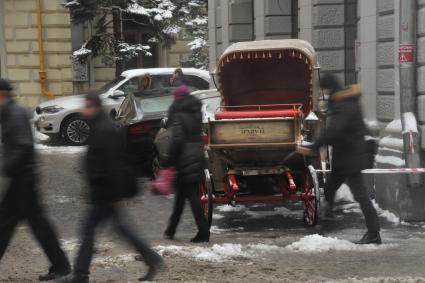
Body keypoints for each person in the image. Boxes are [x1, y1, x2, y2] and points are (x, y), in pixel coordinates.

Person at [61, 93, 163, 283]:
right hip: (104, 193)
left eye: (86, 106)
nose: (83, 110)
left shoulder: (104, 130)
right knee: (122, 230)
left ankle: (80, 276)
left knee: (89, 232)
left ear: (93, 108)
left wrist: (113, 195)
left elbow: (113, 164)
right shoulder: (99, 127)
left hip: (105, 194)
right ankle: (152, 259)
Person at [296, 74, 381, 245]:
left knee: (361, 196)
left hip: (350, 159)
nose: (324, 93)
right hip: (344, 158)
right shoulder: (345, 101)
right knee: (329, 188)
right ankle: (329, 218)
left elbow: (335, 130)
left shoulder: (344, 104)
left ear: (330, 88)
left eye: (325, 89)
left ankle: (373, 233)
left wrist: (313, 145)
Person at [0, 79, 71, 281]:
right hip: (22, 178)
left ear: (2, 94)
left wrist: (8, 166)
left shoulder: (14, 114)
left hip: (22, 180)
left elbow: (22, 147)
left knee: (12, 224)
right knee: (21, 224)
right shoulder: (9, 112)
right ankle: (61, 265)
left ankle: (62, 266)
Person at [162, 85, 210, 243]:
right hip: (196, 154)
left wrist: (168, 158)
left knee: (191, 195)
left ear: (177, 98)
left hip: (184, 157)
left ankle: (203, 231)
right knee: (182, 196)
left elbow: (178, 139)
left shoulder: (179, 114)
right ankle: (171, 230)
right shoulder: (195, 111)